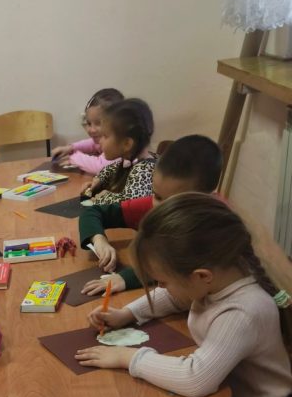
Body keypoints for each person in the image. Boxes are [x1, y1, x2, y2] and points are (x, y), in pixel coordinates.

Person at [76, 193, 292, 397]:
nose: (160, 287)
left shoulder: (241, 313)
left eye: (162, 281)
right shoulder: (222, 277)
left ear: (201, 276)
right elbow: (176, 297)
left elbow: (195, 378)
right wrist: (127, 313)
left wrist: (128, 358)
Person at [79, 135, 223, 296]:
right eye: (157, 196)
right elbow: (93, 211)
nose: (163, 208)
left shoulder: (214, 227)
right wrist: (99, 240)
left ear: (207, 198)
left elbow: (178, 267)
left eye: (176, 202)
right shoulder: (151, 205)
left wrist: (124, 278)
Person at [82, 98, 156, 205]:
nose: (100, 141)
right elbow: (111, 169)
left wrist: (104, 198)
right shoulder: (127, 161)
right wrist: (98, 181)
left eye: (105, 136)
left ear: (127, 144)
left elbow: (130, 202)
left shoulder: (144, 170)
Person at [51, 88, 124, 174]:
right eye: (89, 123)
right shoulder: (106, 140)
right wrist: (71, 148)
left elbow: (100, 167)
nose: (91, 130)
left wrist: (73, 157)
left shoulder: (120, 144)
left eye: (99, 123)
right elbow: (94, 144)